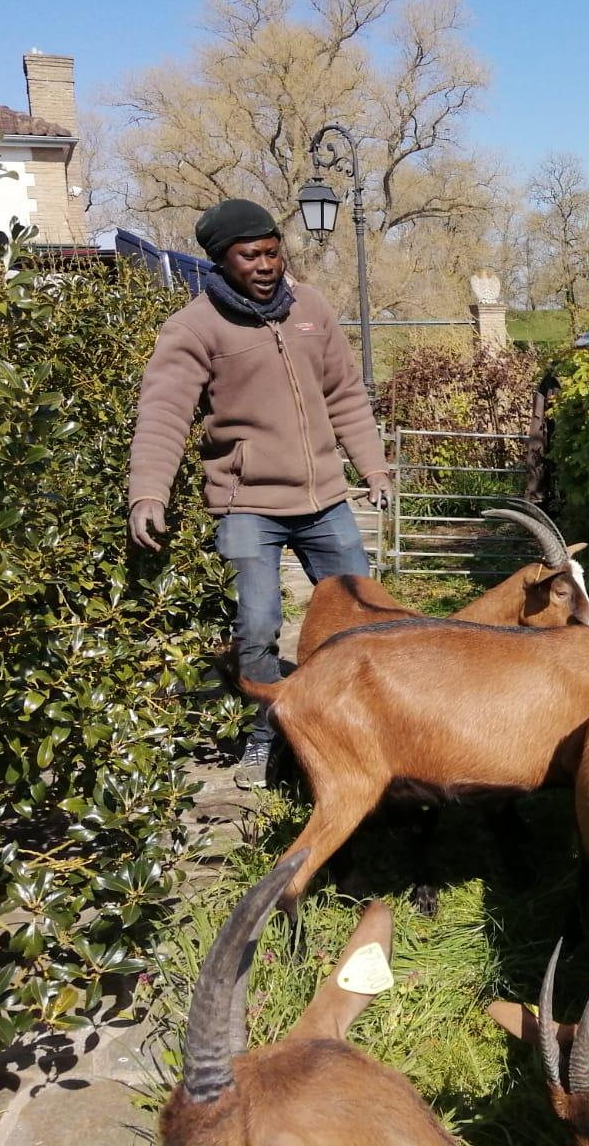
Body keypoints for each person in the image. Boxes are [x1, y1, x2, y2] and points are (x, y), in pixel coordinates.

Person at [126, 198, 393, 788]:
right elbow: (165, 412)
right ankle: (266, 732)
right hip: (246, 503)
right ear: (222, 261)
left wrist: (371, 467)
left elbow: (346, 394)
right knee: (258, 624)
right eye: (251, 255)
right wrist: (149, 490)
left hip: (324, 498)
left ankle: (359, 721)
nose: (267, 264)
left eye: (273, 251)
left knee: (366, 614)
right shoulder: (196, 326)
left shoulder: (311, 308)